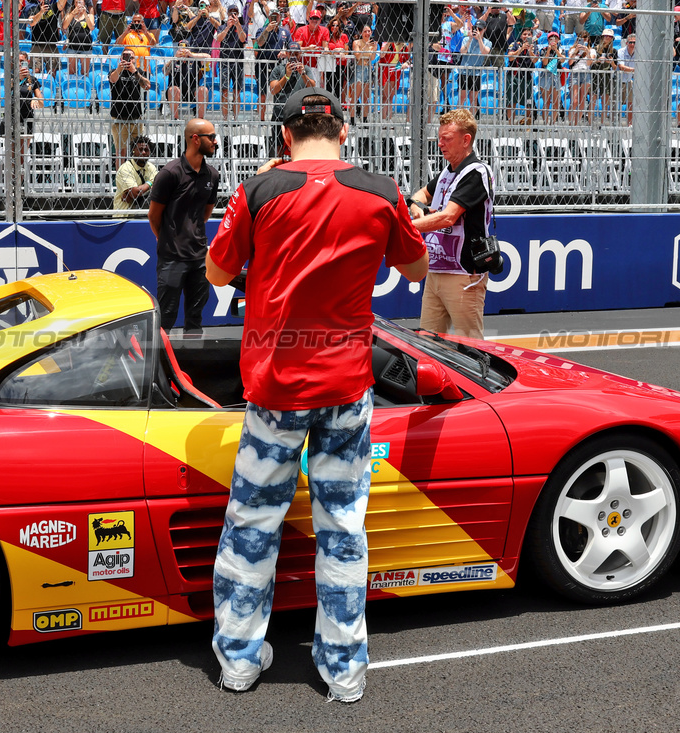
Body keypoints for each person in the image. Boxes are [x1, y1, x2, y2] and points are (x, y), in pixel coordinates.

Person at [204, 91, 428, 702]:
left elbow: (218, 274)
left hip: (276, 386)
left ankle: (240, 661)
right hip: (347, 385)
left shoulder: (258, 189)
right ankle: (344, 670)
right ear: (346, 131)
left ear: (284, 136)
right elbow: (415, 269)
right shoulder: (382, 193)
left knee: (254, 523)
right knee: (344, 528)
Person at [408, 108, 495, 340]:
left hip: (463, 274)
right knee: (427, 345)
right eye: (439, 138)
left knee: (471, 346)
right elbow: (420, 195)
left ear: (466, 140)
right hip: (436, 270)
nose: (440, 144)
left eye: (447, 138)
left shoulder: (476, 172)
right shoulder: (448, 171)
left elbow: (448, 217)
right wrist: (418, 207)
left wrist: (406, 226)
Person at [148, 118, 219, 332]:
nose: (216, 142)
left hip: (199, 259)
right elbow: (153, 216)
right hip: (172, 259)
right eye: (212, 137)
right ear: (195, 139)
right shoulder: (169, 173)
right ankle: (161, 365)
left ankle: (192, 364)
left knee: (195, 320)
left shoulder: (213, 175)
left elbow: (205, 215)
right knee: (165, 319)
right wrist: (169, 240)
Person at [109, 47, 150, 169]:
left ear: (135, 59)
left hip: (136, 117)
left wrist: (134, 72)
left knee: (138, 151)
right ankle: (120, 181)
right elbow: (112, 79)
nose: (128, 59)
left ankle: (137, 179)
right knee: (120, 153)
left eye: (131, 57)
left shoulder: (139, 72)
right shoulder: (115, 71)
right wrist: (120, 68)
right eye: (125, 57)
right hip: (118, 117)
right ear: (121, 58)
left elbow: (147, 85)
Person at [114, 134, 158, 215]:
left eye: (146, 150)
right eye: (140, 149)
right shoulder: (125, 168)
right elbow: (135, 193)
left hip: (144, 216)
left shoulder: (151, 167)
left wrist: (130, 193)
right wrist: (150, 183)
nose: (144, 152)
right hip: (123, 217)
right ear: (133, 150)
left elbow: (159, 187)